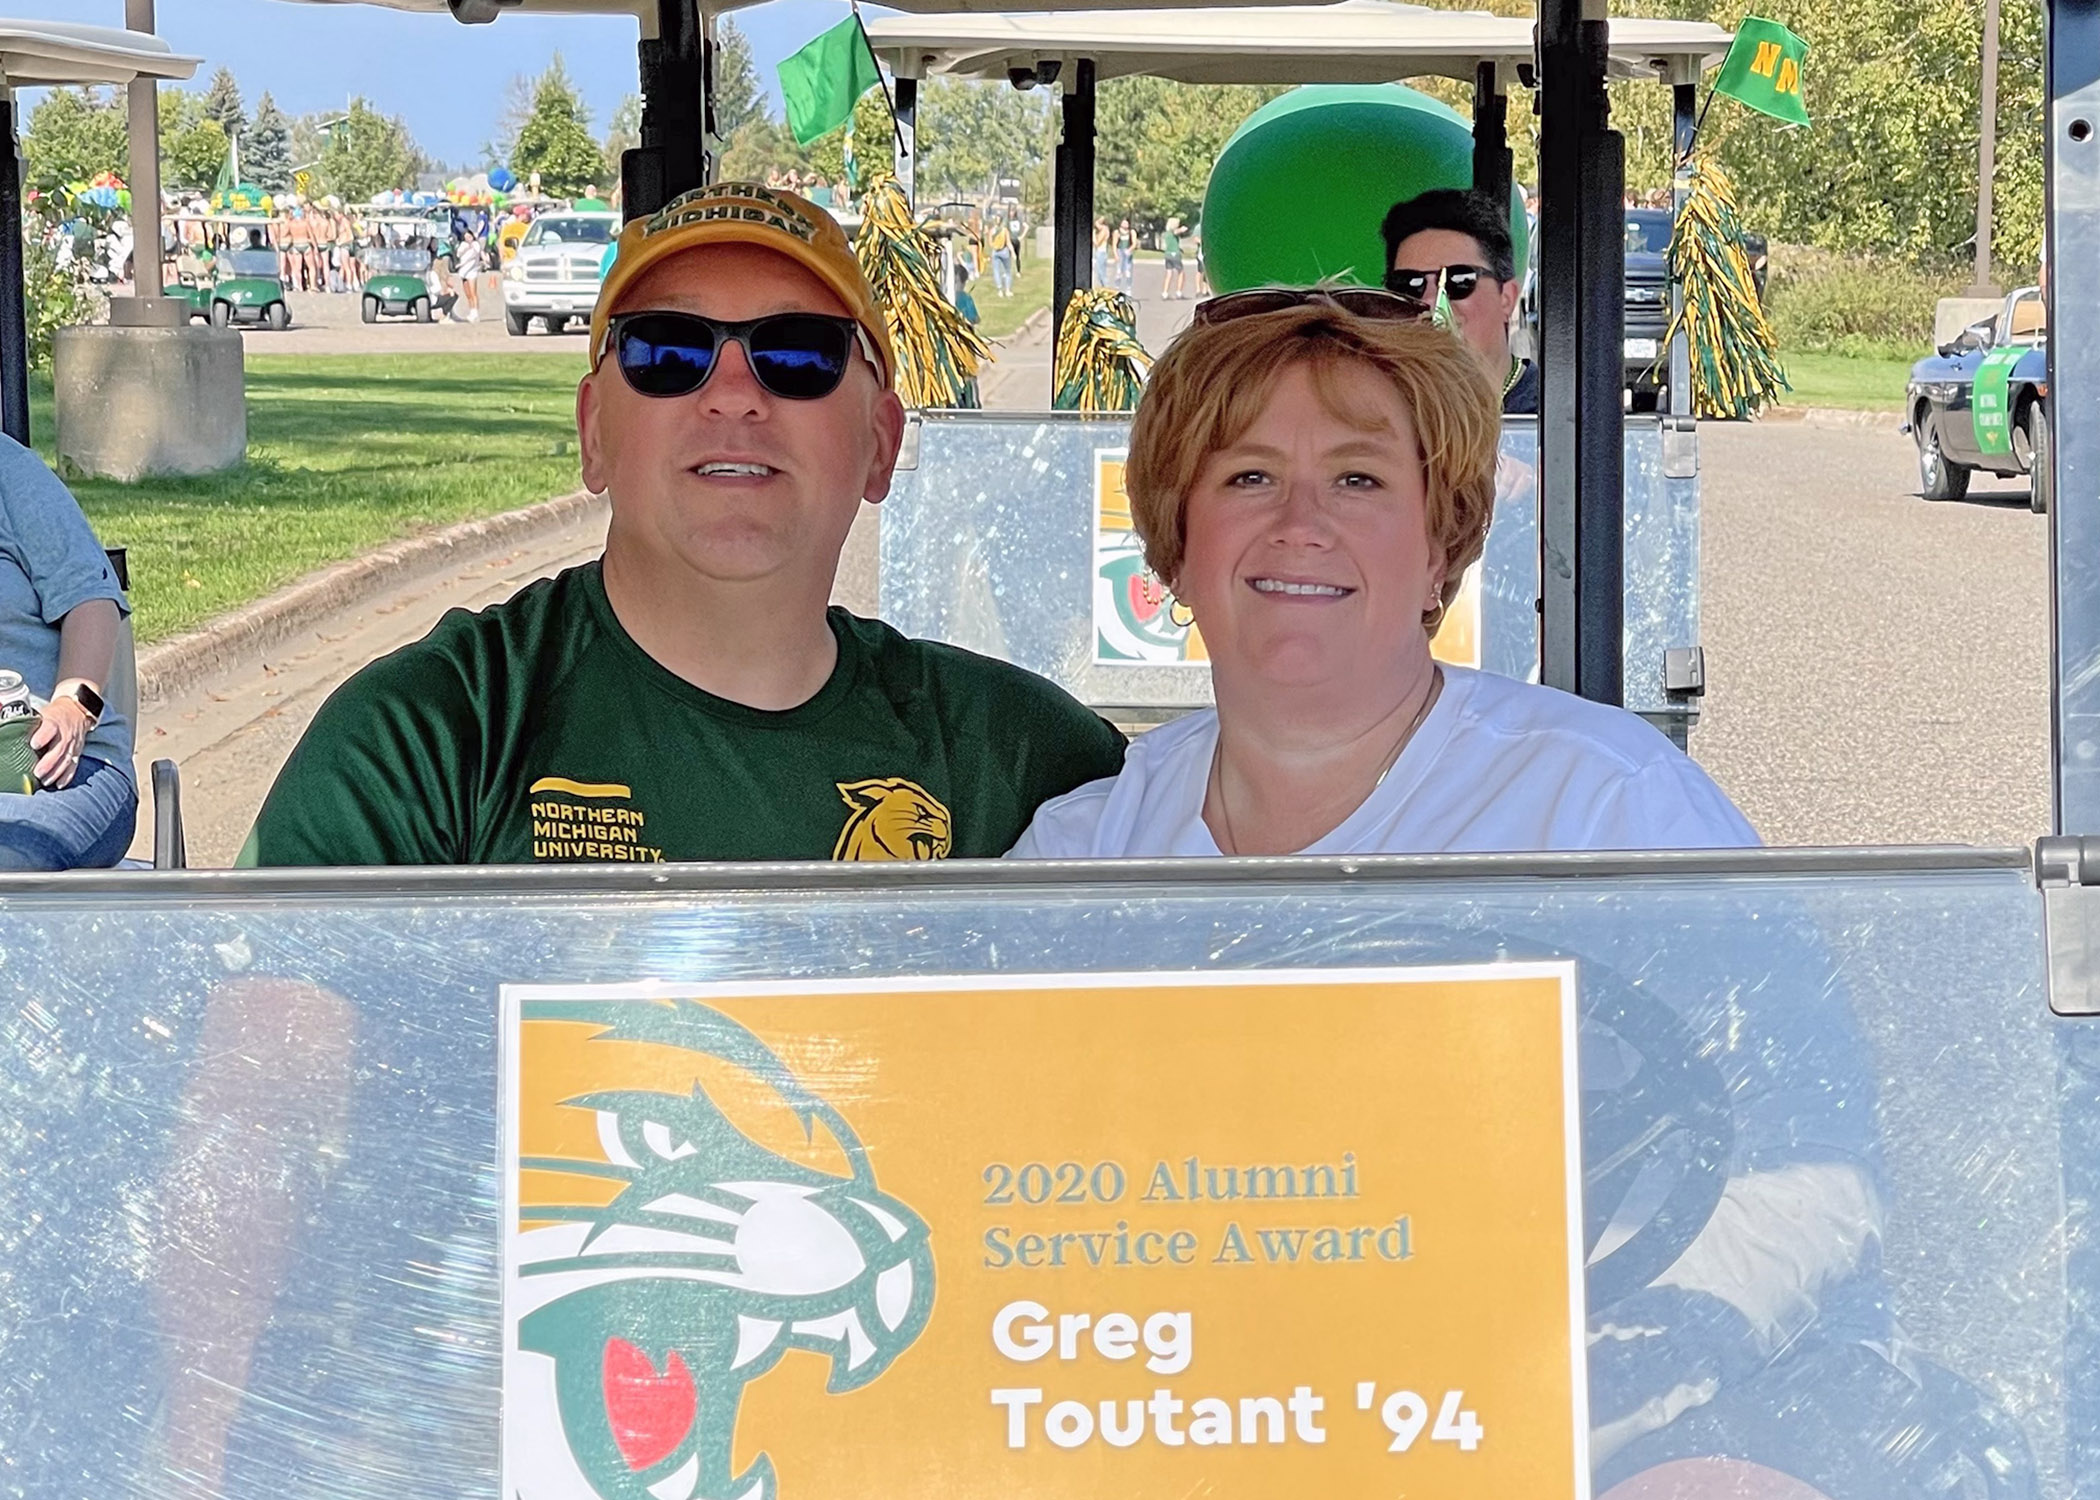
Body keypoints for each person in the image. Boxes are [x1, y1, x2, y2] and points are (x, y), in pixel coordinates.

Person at [244, 180, 1124, 865]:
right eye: (667, 351)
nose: (734, 394)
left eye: (797, 353)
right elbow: (268, 1082)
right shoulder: (428, 740)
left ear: (881, 445)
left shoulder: (1019, 763)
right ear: (594, 434)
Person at [1010, 289, 1752, 859]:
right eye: (1249, 477)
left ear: (1440, 546)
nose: (1300, 524)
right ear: (1176, 548)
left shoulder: (1608, 811)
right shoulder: (1087, 850)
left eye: (1358, 480)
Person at [0, 436, 137, 870]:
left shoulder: (9, 473)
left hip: (52, 771)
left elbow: (91, 602)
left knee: (11, 854)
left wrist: (72, 705)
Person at [1381, 188, 1537, 415]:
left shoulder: (1554, 414)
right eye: (1410, 285)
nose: (1433, 302)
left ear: (1507, 297)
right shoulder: (1380, 413)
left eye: (1459, 280)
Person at [453, 227, 484, 323]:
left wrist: (471, 246)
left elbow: (477, 252)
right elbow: (458, 254)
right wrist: (465, 247)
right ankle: (471, 311)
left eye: (469, 237)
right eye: (466, 237)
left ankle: (476, 312)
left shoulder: (476, 244)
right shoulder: (463, 245)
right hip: (463, 271)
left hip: (472, 271)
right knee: (468, 294)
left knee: (473, 292)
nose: (468, 239)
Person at [985, 214, 1014, 297]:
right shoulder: (1004, 230)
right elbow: (1008, 242)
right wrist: (1013, 252)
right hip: (1004, 251)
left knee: (996, 271)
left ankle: (1000, 290)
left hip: (995, 251)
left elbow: (990, 243)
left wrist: (995, 246)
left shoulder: (992, 230)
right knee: (1007, 271)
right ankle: (1007, 290)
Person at [1161, 216, 1187, 300]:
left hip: (1167, 254)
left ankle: (1165, 292)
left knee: (1169, 273)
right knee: (1181, 272)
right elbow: (1176, 232)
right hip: (1174, 254)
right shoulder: (1173, 232)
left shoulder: (1166, 233)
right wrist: (1183, 229)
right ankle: (1179, 292)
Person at [1114, 218, 1137, 293]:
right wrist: (1116, 254)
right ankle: (1117, 288)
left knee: (1128, 272)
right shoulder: (1117, 232)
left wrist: (1129, 250)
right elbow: (1114, 244)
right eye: (1123, 223)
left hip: (1127, 252)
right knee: (1119, 272)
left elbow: (1134, 243)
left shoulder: (1131, 232)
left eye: (1126, 223)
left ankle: (1128, 289)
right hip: (1120, 251)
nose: (1125, 225)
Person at [1093, 218, 1110, 288]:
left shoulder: (1104, 230)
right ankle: (1104, 287)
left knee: (1101, 273)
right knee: (1101, 273)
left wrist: (1093, 235)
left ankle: (1106, 288)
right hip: (1101, 252)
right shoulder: (1104, 230)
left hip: (1100, 252)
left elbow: (1097, 243)